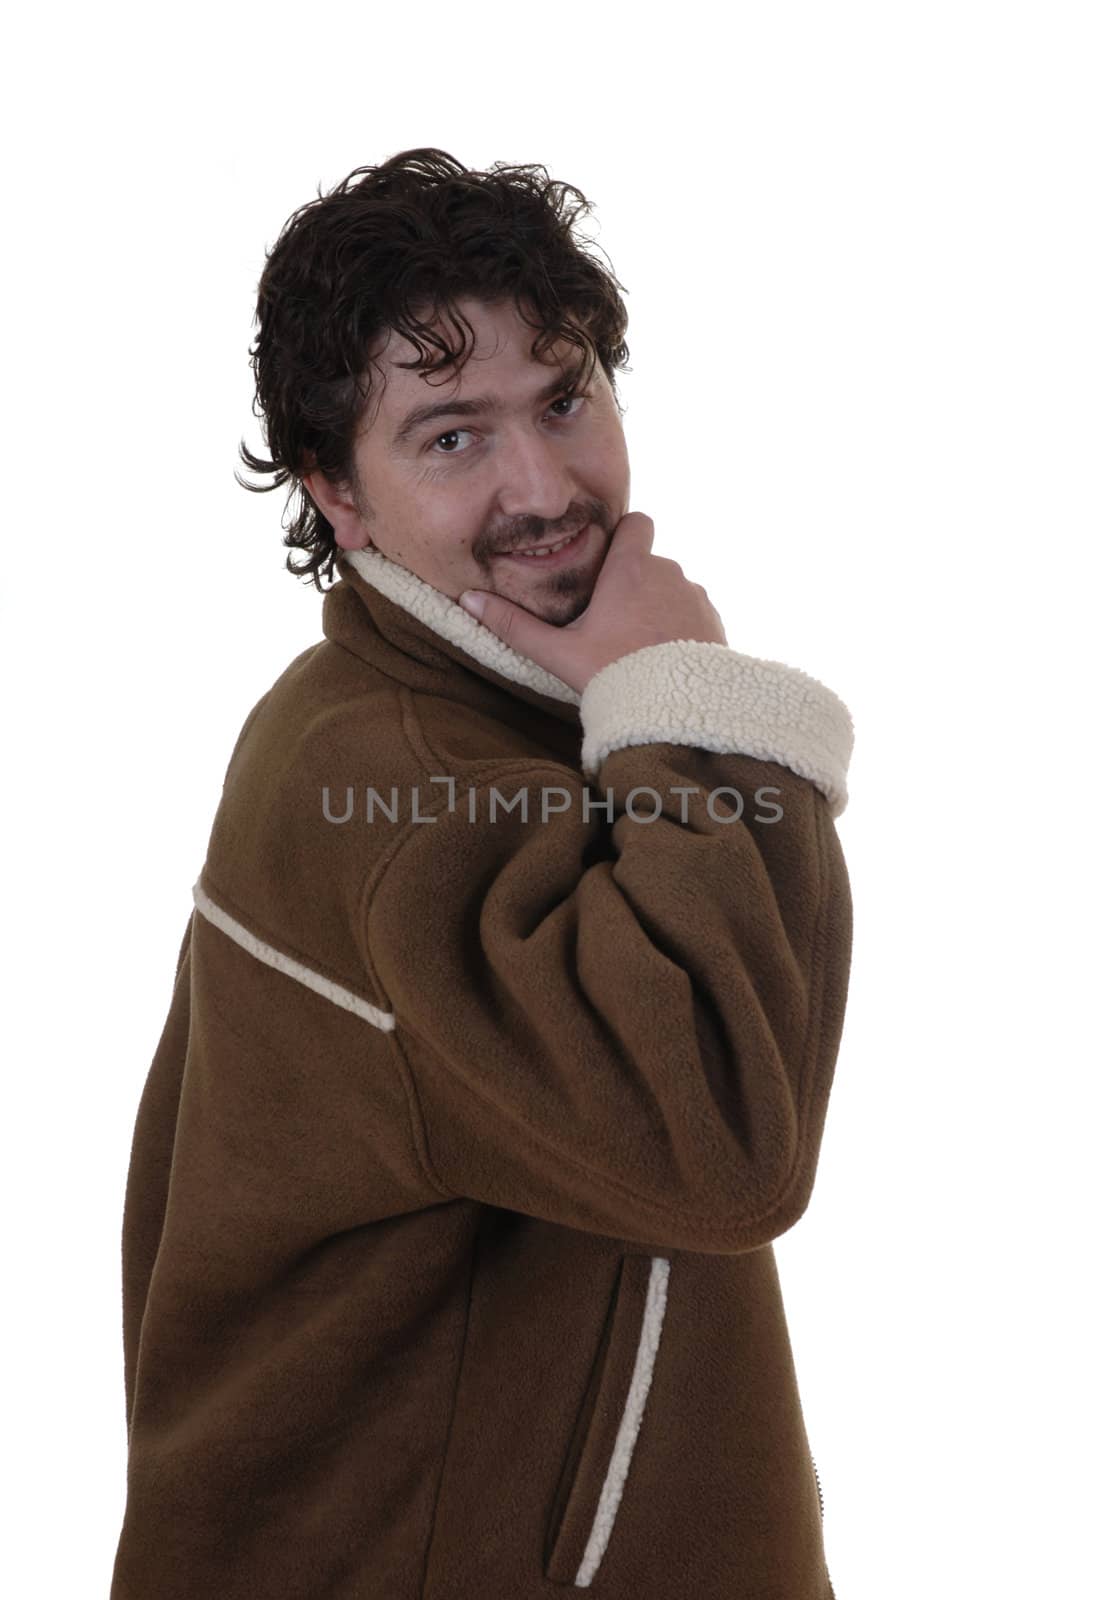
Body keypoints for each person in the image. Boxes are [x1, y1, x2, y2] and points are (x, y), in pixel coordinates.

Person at [109, 147, 855, 1600]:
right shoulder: (392, 780)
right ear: (338, 495)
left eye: (564, 400)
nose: (544, 487)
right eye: (451, 436)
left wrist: (640, 711)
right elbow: (720, 1142)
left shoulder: (475, 716)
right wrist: (691, 704)